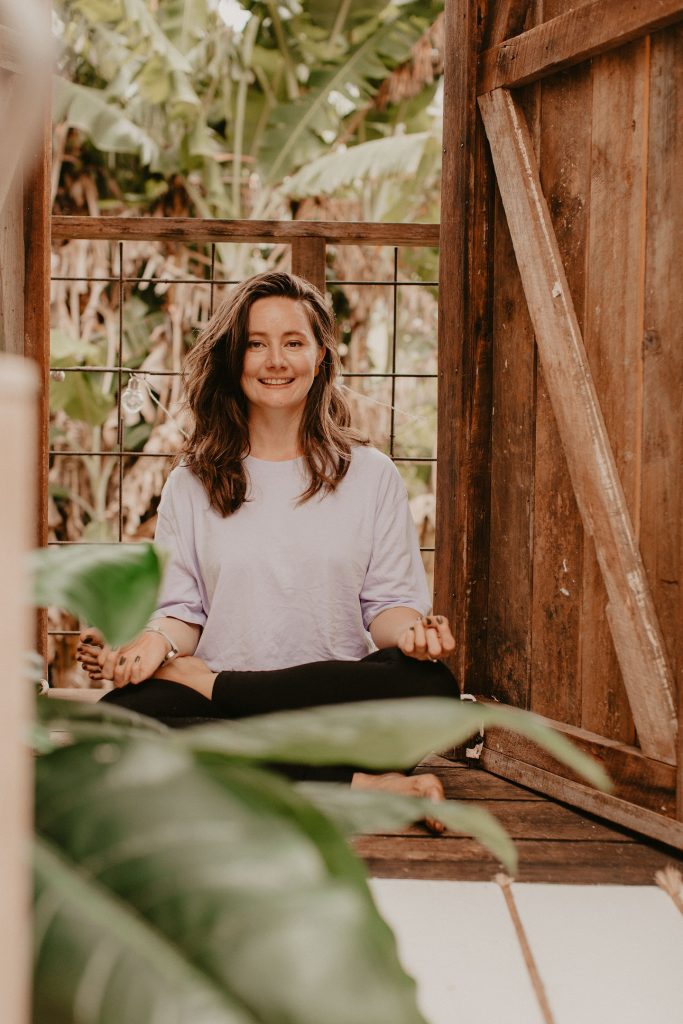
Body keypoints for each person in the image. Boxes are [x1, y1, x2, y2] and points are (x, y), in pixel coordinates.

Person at [77, 270, 458, 813]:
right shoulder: (191, 483)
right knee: (110, 729)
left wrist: (416, 635)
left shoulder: (371, 475)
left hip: (330, 707)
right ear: (236, 359)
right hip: (224, 716)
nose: (275, 361)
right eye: (257, 344)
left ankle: (216, 696)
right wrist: (150, 646)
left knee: (433, 686)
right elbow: (181, 612)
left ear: (321, 354)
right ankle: (357, 784)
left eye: (293, 342)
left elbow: (388, 610)